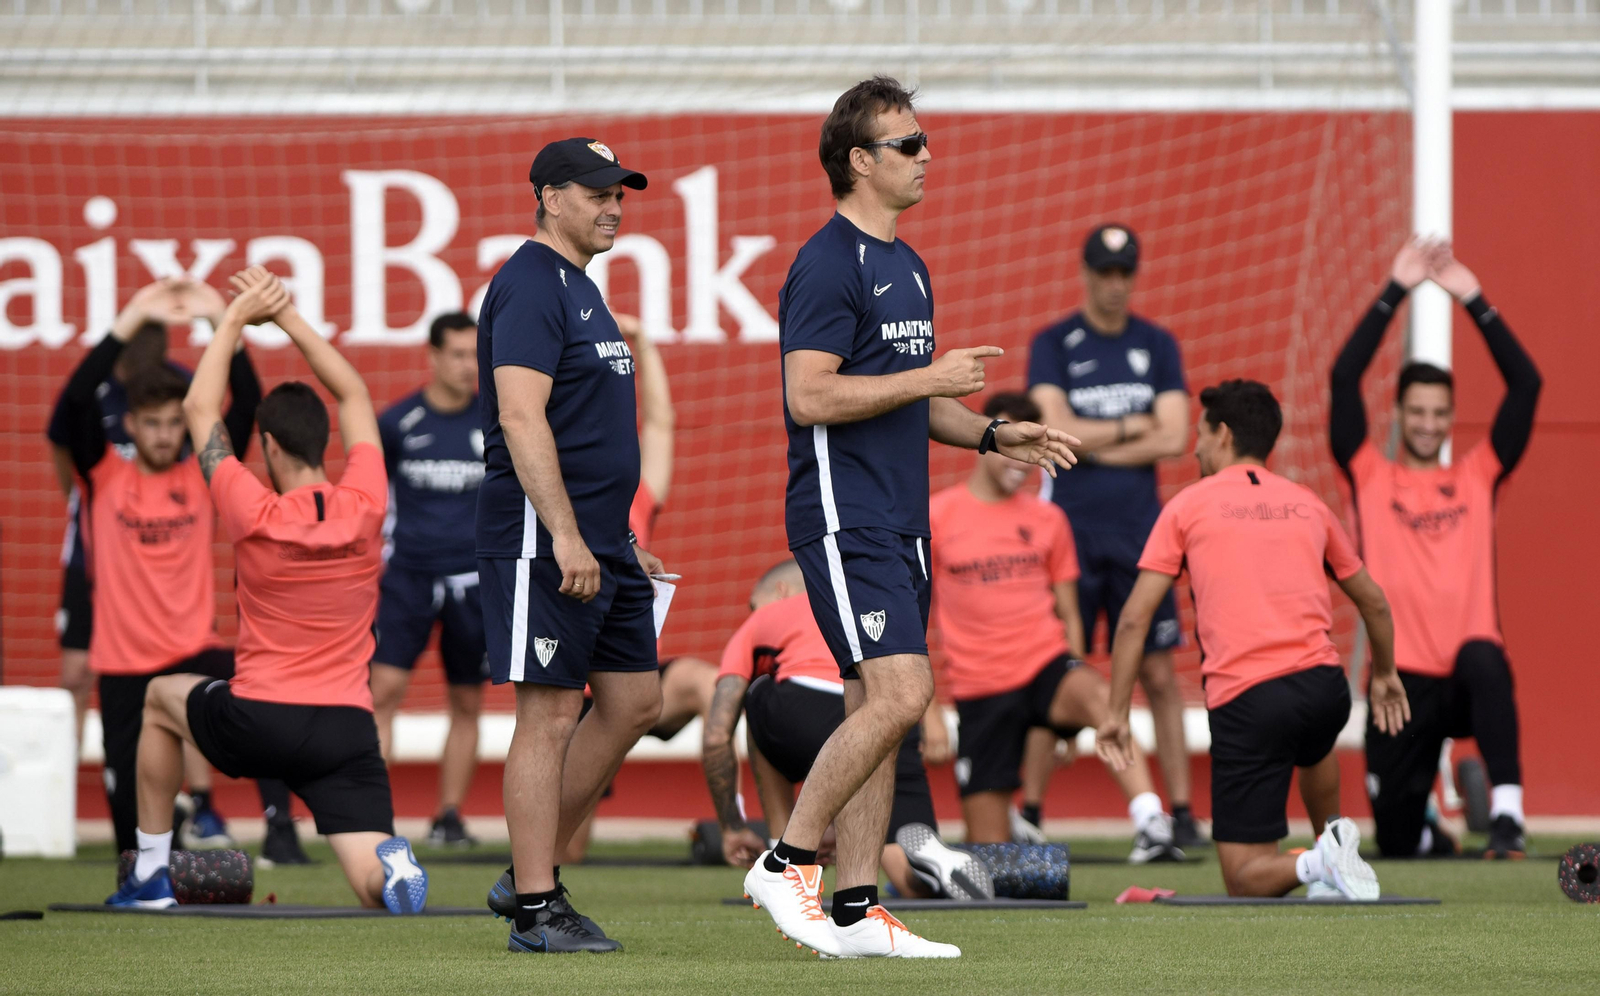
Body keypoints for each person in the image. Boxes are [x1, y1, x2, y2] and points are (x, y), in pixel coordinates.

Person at [742, 76, 1076, 960]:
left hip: (900, 521)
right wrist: (932, 379)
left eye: (924, 141)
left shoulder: (910, 262)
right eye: (909, 144)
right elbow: (809, 395)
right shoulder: (826, 261)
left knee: (873, 708)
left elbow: (905, 401)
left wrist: (996, 434)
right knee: (903, 697)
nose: (928, 156)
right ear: (859, 161)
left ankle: (855, 911)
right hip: (845, 517)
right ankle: (785, 863)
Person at [108, 267, 428, 913]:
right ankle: (392, 870)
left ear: (272, 446)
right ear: (325, 441)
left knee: (160, 699)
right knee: (370, 886)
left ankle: (148, 873)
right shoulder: (366, 500)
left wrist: (232, 318)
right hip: (347, 727)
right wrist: (286, 317)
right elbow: (356, 392)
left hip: (262, 720)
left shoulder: (252, 508)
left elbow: (200, 409)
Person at [1097, 379, 1411, 899]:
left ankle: (1318, 864)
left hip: (1250, 700)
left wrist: (1115, 714)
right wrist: (1384, 674)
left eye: (1199, 433)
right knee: (1313, 744)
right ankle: (1331, 836)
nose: (1194, 445)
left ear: (1222, 434)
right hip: (1324, 691)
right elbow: (1374, 601)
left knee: (1244, 879)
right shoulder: (1307, 503)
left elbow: (1133, 621)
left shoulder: (1186, 505)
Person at [476, 137, 666, 954]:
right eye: (595, 192)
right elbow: (521, 418)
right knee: (549, 712)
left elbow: (593, 434)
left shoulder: (581, 289)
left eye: (619, 192)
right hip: (543, 539)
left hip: (603, 542)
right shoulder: (527, 282)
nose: (613, 205)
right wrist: (563, 533)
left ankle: (531, 862)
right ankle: (534, 907)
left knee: (634, 703)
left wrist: (619, 537)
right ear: (550, 197)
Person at [1330, 239, 1542, 860]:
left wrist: (1471, 298)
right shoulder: (1368, 475)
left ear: (1452, 418)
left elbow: (1527, 385)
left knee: (1484, 655)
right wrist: (1394, 291)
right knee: (1396, 845)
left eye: (1440, 412)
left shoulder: (1479, 476)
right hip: (1399, 683)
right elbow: (1343, 377)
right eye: (1417, 411)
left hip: (1469, 681)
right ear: (1398, 412)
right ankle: (1429, 822)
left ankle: (1507, 818)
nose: (1428, 423)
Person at [58, 276, 277, 859]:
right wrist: (130, 315)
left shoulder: (199, 475)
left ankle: (276, 829)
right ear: (129, 425)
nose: (162, 434)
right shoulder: (104, 476)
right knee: (129, 816)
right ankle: (145, 878)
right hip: (123, 662)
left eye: (172, 423)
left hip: (191, 651)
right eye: (150, 424)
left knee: (268, 726)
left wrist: (219, 319)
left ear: (184, 426)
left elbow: (248, 402)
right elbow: (74, 402)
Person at [929, 391, 1182, 863]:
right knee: (993, 863)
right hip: (980, 688)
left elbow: (1069, 614)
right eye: (1015, 441)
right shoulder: (937, 516)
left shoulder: (1049, 518)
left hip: (1046, 665)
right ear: (990, 439)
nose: (1022, 462)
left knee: (1102, 697)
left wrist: (1072, 712)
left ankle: (1151, 822)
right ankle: (1012, 843)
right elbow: (915, 620)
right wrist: (928, 710)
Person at [1026, 224, 1203, 848]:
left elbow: (1176, 437)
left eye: (1124, 272)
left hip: (1139, 535)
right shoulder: (1052, 343)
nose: (1114, 284)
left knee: (1157, 672)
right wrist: (1135, 424)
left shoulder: (1157, 344)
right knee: (1057, 669)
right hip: (1067, 535)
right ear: (1086, 273)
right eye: (1104, 271)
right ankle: (1030, 811)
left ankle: (1181, 813)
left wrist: (1093, 434)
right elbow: (1053, 426)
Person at [703, 560, 992, 901]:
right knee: (900, 850)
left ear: (780, 591)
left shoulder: (764, 618)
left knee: (758, 690)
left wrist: (732, 827)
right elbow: (906, 666)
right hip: (883, 712)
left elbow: (717, 736)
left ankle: (785, 854)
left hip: (803, 708)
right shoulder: (860, 600)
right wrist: (932, 720)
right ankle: (926, 869)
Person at [558, 312, 717, 866]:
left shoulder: (639, 496)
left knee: (710, 683)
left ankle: (750, 832)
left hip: (633, 674)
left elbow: (661, 424)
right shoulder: (555, 499)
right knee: (566, 849)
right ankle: (534, 886)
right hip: (575, 690)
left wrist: (644, 344)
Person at [371, 310, 488, 848]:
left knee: (467, 701)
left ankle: (448, 816)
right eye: (459, 355)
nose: (470, 366)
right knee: (384, 690)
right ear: (434, 356)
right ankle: (369, 814)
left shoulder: (496, 419)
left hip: (475, 581)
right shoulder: (397, 423)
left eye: (476, 354)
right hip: (409, 578)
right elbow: (373, 502)